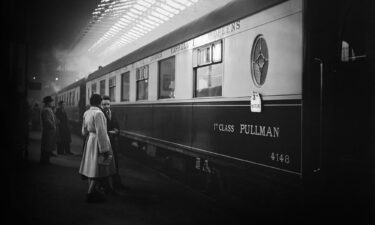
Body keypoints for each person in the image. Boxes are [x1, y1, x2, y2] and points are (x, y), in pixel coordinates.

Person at [79, 94, 116, 203]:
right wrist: (104, 149)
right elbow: (101, 132)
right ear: (100, 102)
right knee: (98, 168)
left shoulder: (87, 112)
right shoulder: (99, 113)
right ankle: (90, 194)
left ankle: (92, 190)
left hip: (90, 140)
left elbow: (83, 131)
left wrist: (90, 136)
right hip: (98, 142)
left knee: (91, 168)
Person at [101, 95, 126, 193]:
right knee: (104, 164)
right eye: (104, 104)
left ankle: (117, 183)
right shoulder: (100, 114)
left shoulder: (112, 113)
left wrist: (116, 131)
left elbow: (117, 127)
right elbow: (101, 131)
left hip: (112, 142)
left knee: (115, 163)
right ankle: (105, 186)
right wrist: (110, 132)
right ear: (101, 105)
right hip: (105, 143)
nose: (106, 106)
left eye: (108, 104)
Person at [40, 96, 57, 164]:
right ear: (47, 102)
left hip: (49, 130)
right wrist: (53, 126)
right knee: (47, 145)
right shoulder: (46, 110)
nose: (51, 103)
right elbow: (47, 120)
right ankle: (45, 160)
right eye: (50, 102)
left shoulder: (47, 109)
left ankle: (46, 159)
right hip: (48, 130)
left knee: (47, 145)